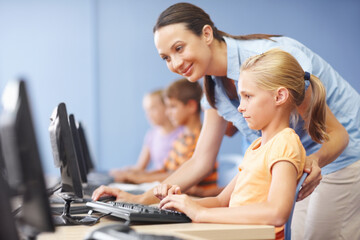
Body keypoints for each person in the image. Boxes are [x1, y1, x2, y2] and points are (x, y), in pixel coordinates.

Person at [94, 3, 360, 239]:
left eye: (179, 48)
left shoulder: (273, 60)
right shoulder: (213, 90)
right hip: (296, 166)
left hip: (341, 157)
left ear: (206, 34)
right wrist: (142, 200)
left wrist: (312, 161)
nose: (175, 63)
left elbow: (337, 134)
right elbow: (200, 161)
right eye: (166, 58)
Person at [155, 48, 328, 240]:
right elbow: (221, 201)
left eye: (248, 96)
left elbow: (277, 212)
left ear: (279, 96)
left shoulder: (285, 143)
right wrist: (181, 203)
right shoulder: (256, 147)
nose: (240, 106)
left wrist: (200, 213)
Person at [93, 78, 221, 198]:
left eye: (173, 107)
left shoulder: (199, 139)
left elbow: (177, 177)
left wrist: (136, 178)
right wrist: (134, 175)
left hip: (194, 198)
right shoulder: (182, 138)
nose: (168, 112)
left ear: (191, 107)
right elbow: (165, 170)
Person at [109, 89, 183, 182]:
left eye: (153, 108)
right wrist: (123, 172)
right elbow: (140, 167)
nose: (148, 115)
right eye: (147, 110)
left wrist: (133, 177)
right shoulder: (151, 135)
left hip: (168, 181)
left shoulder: (183, 134)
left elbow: (178, 173)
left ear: (166, 107)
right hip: (155, 181)